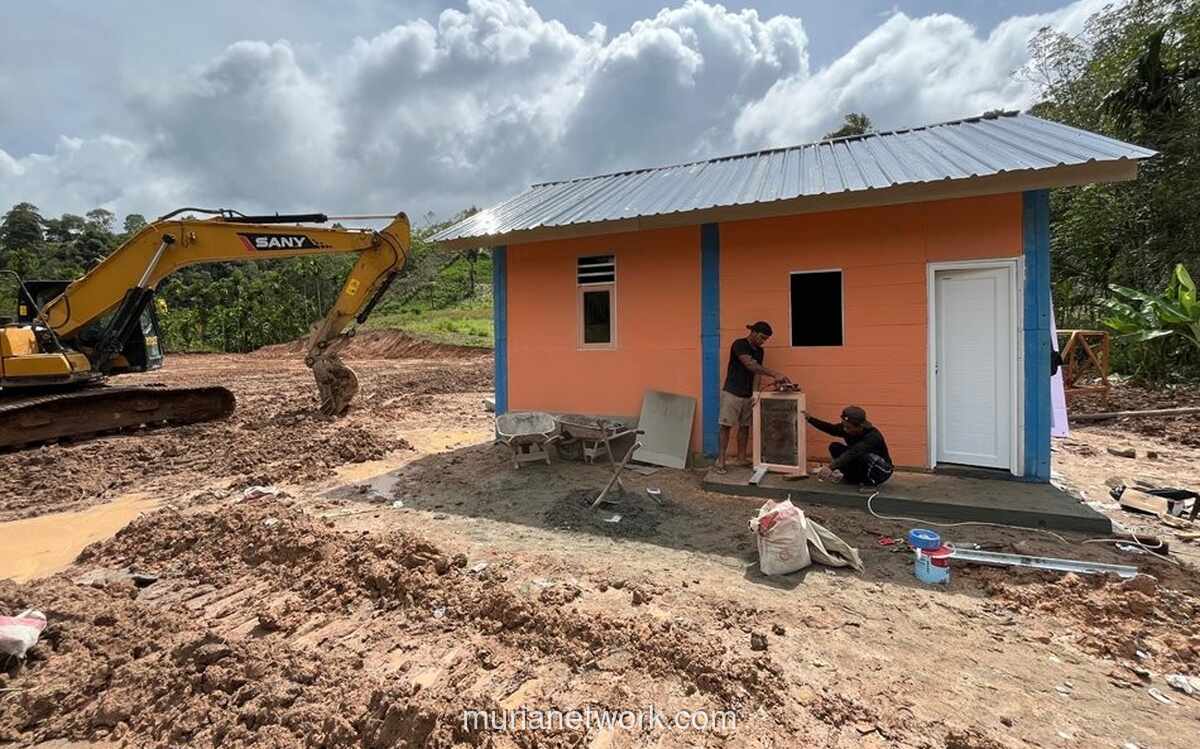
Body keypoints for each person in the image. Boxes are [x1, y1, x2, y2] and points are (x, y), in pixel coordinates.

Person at [715, 321, 792, 473]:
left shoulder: (760, 351)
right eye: (762, 337)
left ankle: (741, 458)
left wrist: (755, 394)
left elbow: (757, 373)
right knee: (726, 426)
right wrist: (775, 374)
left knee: (745, 427)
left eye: (765, 339)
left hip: (747, 394)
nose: (763, 341)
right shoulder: (739, 344)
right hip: (732, 392)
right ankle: (721, 460)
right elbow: (750, 365)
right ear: (754, 332)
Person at [805, 405, 894, 486]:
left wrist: (830, 467)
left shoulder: (873, 436)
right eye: (844, 426)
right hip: (862, 463)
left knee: (864, 456)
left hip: (882, 470)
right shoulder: (846, 429)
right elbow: (831, 429)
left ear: (860, 426)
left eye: (848, 427)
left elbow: (853, 452)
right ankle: (853, 478)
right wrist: (810, 419)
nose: (845, 429)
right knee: (835, 447)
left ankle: (869, 481)